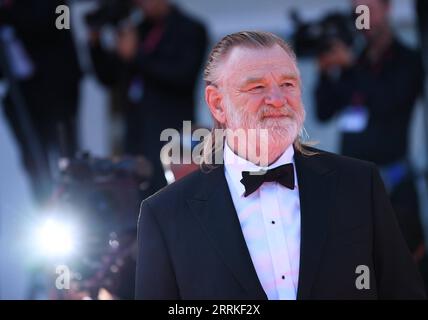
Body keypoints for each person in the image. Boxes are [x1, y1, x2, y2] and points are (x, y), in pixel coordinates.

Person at [135, 31, 425, 299]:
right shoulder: (165, 215)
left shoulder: (360, 185)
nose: (276, 99)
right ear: (217, 104)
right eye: (257, 86)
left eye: (287, 84)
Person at [315, 0, 426, 263]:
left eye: (368, 10)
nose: (363, 19)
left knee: (405, 264)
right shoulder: (354, 60)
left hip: (394, 184)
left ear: (387, 8)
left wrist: (351, 66)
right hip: (354, 186)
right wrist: (325, 70)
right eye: (357, 13)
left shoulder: (407, 60)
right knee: (357, 264)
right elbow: (324, 110)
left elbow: (388, 101)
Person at [89, 0, 207, 196]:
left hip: (171, 133)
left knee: (172, 196)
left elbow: (182, 75)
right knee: (135, 197)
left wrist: (137, 55)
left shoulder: (190, 28)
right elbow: (107, 77)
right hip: (136, 134)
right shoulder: (137, 30)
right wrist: (95, 43)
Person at [0, 0, 82, 204]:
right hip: (23, 101)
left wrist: (9, 13)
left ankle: (77, 209)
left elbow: (51, 22)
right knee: (35, 164)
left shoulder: (52, 8)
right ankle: (46, 209)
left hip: (57, 93)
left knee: (68, 160)